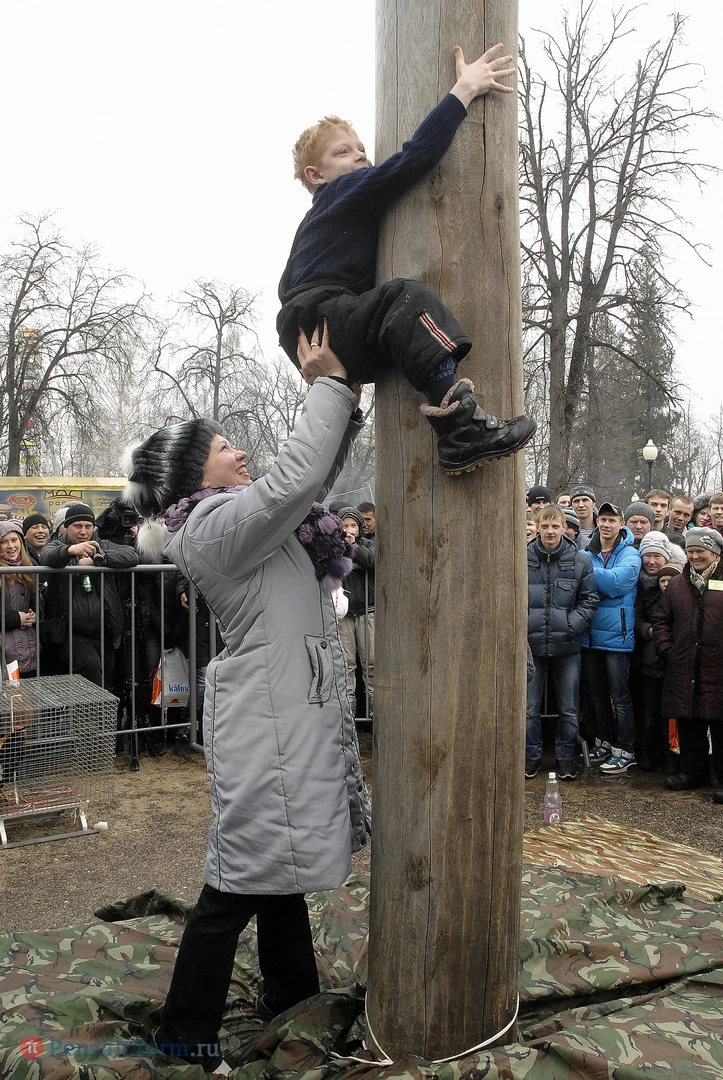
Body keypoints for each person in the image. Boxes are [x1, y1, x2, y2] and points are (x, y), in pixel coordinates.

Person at [122, 326, 371, 1071]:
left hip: (280, 707)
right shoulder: (214, 526)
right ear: (192, 471)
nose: (240, 453)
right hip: (268, 718)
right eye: (226, 446)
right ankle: (185, 1039)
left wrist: (345, 399)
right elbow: (294, 481)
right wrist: (328, 388)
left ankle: (292, 998)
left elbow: (303, 486)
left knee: (275, 867)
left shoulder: (236, 522)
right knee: (235, 881)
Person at [277, 45, 535, 476]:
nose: (361, 156)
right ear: (316, 176)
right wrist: (463, 91)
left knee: (388, 330)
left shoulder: (317, 223)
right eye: (343, 152)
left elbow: (286, 285)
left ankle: (357, 423)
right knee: (405, 300)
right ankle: (460, 427)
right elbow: (415, 158)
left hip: (308, 328)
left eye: (361, 148)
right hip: (320, 314)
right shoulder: (342, 191)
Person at [525, 505, 598, 781]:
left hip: (567, 645)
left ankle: (565, 758)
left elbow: (589, 600)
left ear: (564, 528)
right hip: (530, 646)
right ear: (538, 527)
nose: (550, 531)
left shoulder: (580, 560)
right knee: (529, 709)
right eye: (545, 526)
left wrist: (570, 626)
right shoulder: (522, 557)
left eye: (555, 526)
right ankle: (531, 756)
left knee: (568, 709)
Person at [653, 527, 723, 802]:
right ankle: (693, 772)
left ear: (715, 553)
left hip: (718, 667)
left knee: (720, 725)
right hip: (683, 665)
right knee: (688, 722)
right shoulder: (678, 584)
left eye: (700, 551)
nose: (694, 556)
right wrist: (668, 650)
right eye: (691, 551)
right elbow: (661, 620)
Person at [40, 502, 138, 687]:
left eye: (88, 526)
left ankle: (100, 707)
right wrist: (69, 551)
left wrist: (99, 559)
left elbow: (131, 555)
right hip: (71, 631)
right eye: (77, 526)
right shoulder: (58, 544)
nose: (83, 532)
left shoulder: (101, 544)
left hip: (104, 629)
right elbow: (47, 556)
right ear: (66, 527)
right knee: (90, 667)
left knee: (105, 675)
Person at [582, 502, 641, 772]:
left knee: (620, 696)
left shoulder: (631, 554)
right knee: (597, 695)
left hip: (618, 636)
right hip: (590, 635)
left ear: (621, 523)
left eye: (612, 520)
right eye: (602, 520)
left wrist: (586, 573)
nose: (606, 524)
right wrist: (598, 578)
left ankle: (626, 749)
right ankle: (604, 740)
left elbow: (617, 583)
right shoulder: (587, 553)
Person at [632, 532, 672, 770]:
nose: (652, 561)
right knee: (646, 711)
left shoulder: (675, 583)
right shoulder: (636, 583)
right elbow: (634, 616)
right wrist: (647, 630)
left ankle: (670, 757)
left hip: (670, 658)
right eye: (647, 556)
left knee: (670, 714)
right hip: (645, 656)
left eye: (657, 556)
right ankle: (646, 754)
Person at [338, 506, 375, 719]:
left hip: (367, 611)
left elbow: (372, 561)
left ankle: (375, 715)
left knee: (372, 664)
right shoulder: (333, 546)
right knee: (346, 665)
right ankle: (348, 717)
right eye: (344, 526)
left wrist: (352, 546)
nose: (349, 529)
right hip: (344, 614)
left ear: (360, 528)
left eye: (353, 525)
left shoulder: (368, 544)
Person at [0, 521, 38, 677]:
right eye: (4, 542)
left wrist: (33, 615)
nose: (11, 546)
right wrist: (16, 618)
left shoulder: (28, 568)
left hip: (28, 647)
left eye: (14, 540)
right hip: (4, 648)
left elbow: (36, 602)